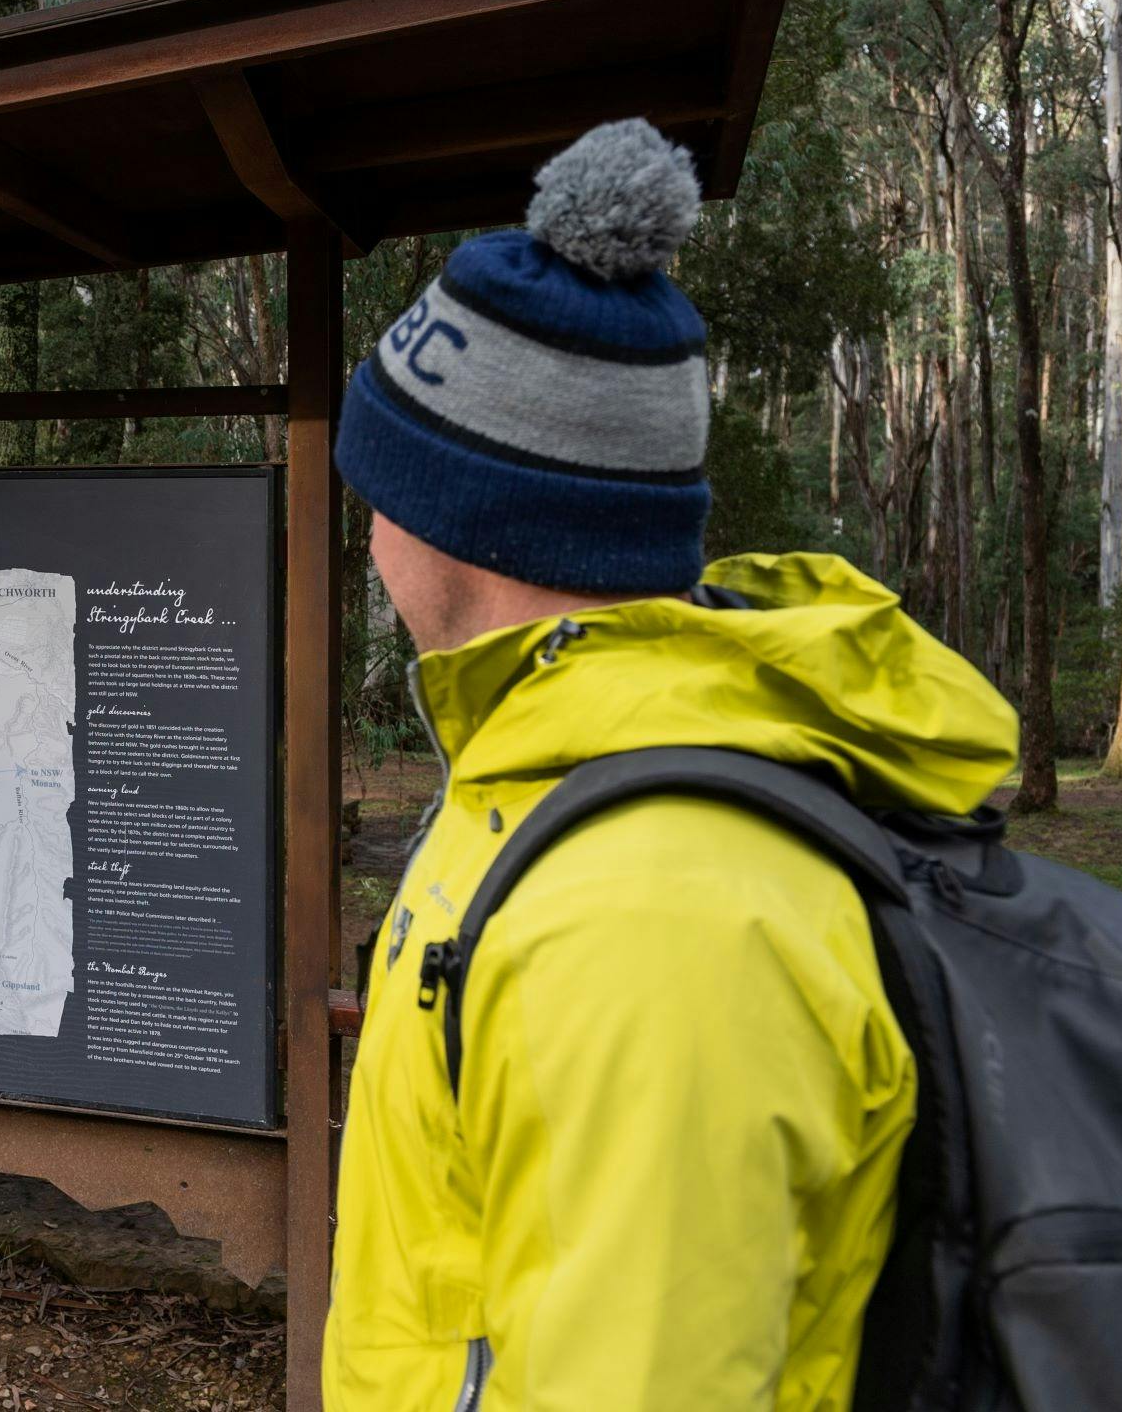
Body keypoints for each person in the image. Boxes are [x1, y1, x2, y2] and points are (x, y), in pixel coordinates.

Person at [321, 120, 1019, 1410]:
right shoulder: (537, 788)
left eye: (378, 483)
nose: (369, 527)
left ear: (448, 516)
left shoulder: (649, 911)